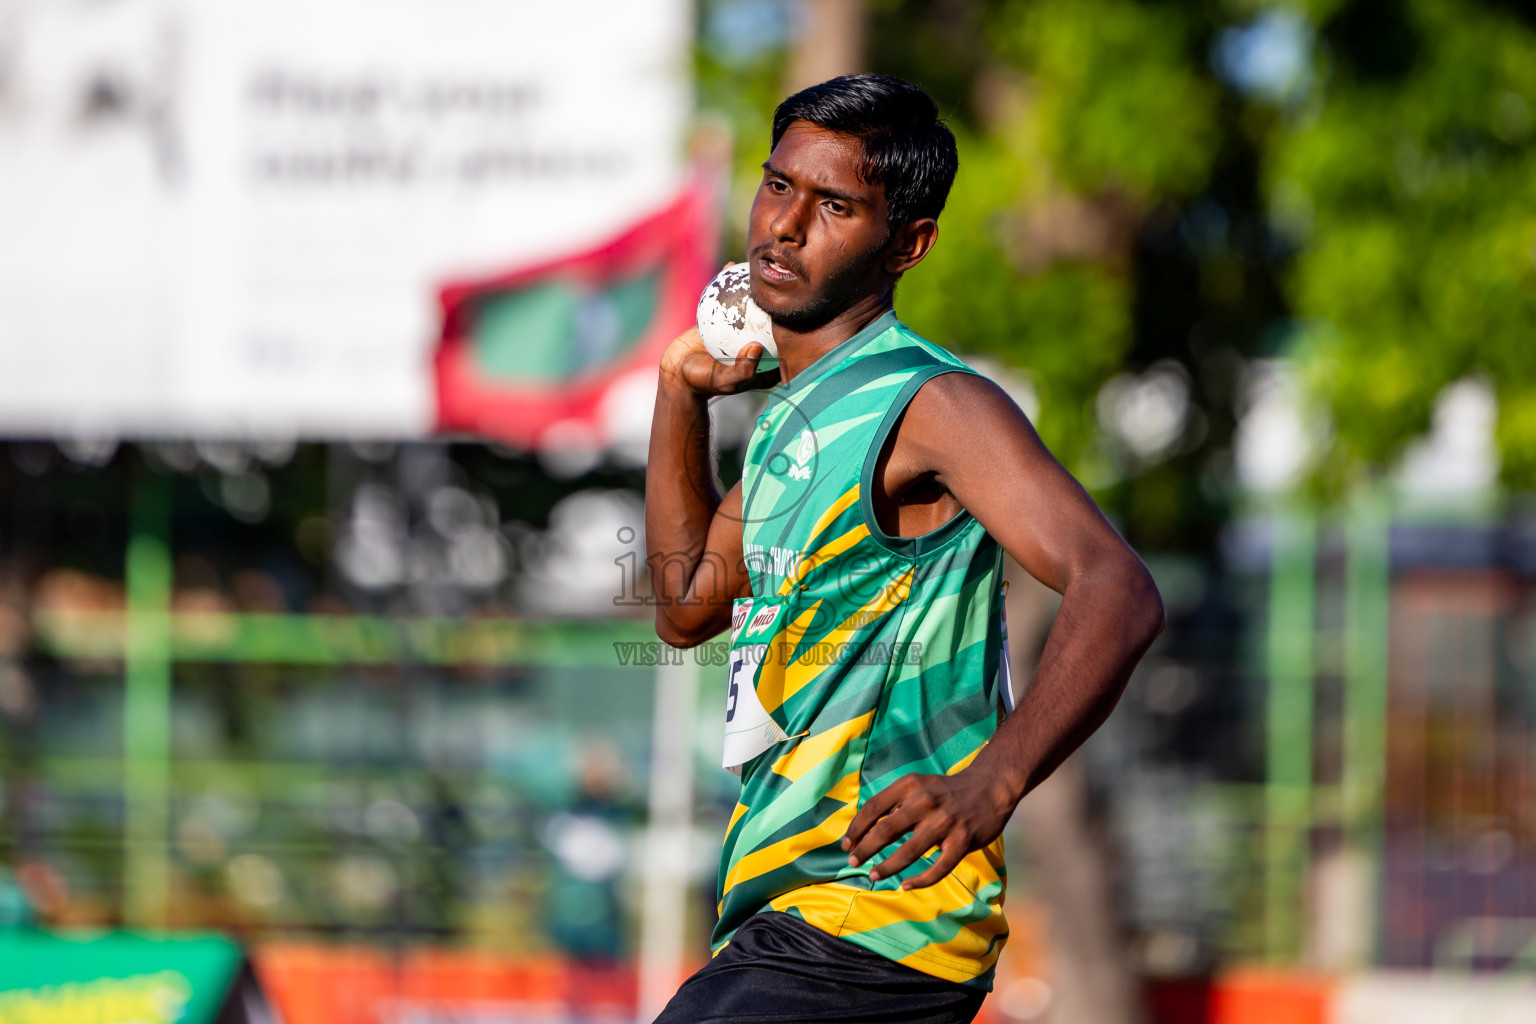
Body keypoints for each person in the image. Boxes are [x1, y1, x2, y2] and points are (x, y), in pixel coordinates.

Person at [644, 73, 1164, 1024]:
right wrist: (680, 396)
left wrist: (993, 780)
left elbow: (1117, 584)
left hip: (875, 912)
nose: (784, 226)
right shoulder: (792, 422)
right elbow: (685, 608)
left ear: (907, 244)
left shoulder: (930, 402)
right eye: (777, 185)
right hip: (788, 914)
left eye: (834, 205)